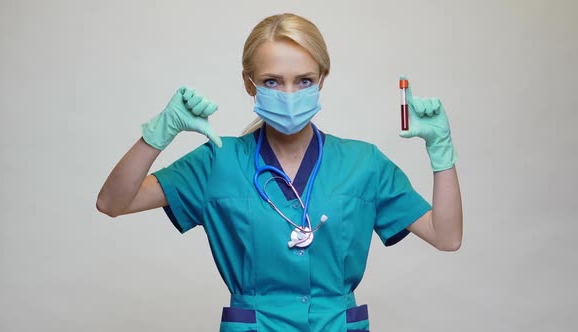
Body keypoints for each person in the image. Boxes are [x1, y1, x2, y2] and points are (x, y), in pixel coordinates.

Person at [96, 13, 462, 332]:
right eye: (272, 81)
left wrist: (440, 154)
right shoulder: (216, 162)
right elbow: (113, 202)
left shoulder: (363, 163)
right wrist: (159, 133)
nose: (289, 93)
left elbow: (446, 237)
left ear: (322, 79)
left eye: (303, 80)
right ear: (249, 83)